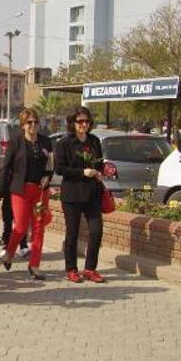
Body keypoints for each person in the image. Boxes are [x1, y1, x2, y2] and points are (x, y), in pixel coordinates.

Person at [0, 108, 54, 280]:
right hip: (20, 190)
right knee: (20, 227)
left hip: (40, 190)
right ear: (23, 125)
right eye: (29, 122)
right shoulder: (16, 141)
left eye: (36, 122)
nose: (33, 125)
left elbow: (51, 165)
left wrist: (47, 177)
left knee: (38, 228)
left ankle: (34, 265)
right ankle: (9, 252)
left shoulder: (45, 142)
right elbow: (6, 167)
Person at [54, 107, 106, 283]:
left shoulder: (94, 141)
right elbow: (60, 169)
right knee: (73, 234)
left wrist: (99, 171)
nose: (84, 124)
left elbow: (99, 163)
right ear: (72, 123)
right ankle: (71, 269)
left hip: (92, 193)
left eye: (87, 121)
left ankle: (90, 268)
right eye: (80, 121)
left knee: (96, 231)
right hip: (72, 194)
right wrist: (82, 172)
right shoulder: (64, 143)